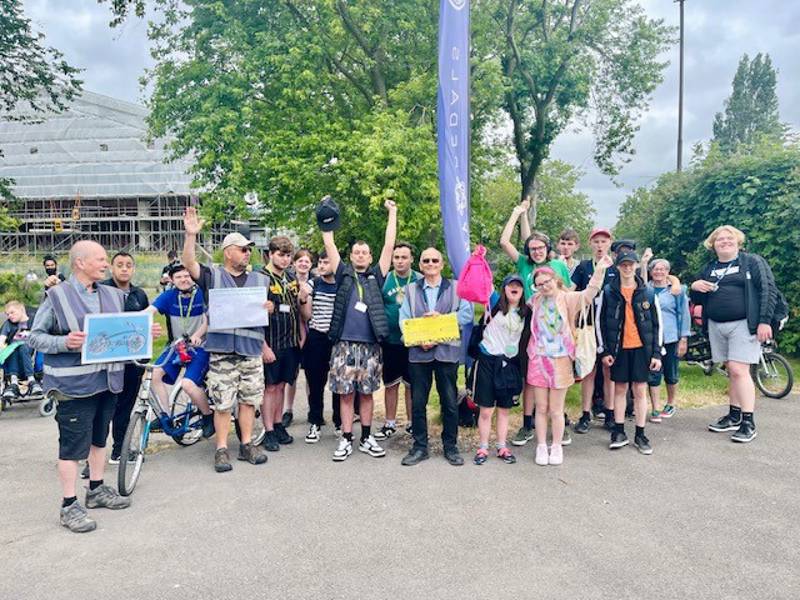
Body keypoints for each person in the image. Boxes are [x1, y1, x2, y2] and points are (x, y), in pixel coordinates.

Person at [29, 241, 154, 533]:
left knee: (100, 440)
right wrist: (64, 342)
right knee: (72, 448)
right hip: (73, 386)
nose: (105, 264)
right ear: (80, 263)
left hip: (108, 382)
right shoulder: (57, 296)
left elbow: (122, 332)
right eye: (99, 259)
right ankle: (69, 505)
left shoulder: (113, 294)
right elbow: (34, 337)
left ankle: (96, 489)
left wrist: (145, 332)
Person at [182, 207, 269, 471]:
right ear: (228, 251)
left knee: (248, 401)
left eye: (249, 250)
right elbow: (189, 264)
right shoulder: (213, 275)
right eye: (242, 249)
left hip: (250, 351)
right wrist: (190, 236)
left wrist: (270, 309)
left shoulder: (259, 279)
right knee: (222, 403)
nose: (247, 253)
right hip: (222, 352)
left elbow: (266, 310)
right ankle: (221, 449)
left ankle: (246, 444)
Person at [321, 195, 397, 462]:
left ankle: (366, 436)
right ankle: (345, 438)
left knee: (366, 395)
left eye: (364, 252)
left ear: (370, 256)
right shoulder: (342, 273)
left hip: (370, 346)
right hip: (343, 344)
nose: (360, 255)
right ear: (350, 256)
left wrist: (392, 213)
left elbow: (389, 244)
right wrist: (325, 213)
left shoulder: (377, 275)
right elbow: (328, 241)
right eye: (356, 252)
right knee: (345, 395)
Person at [690, 225, 777, 443]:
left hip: (744, 323)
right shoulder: (709, 268)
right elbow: (699, 300)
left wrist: (764, 321)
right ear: (713, 245)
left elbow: (768, 290)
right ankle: (734, 415)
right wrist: (695, 286)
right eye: (720, 239)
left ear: (738, 241)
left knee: (739, 369)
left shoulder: (752, 262)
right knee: (732, 370)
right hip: (717, 325)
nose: (725, 242)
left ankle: (748, 422)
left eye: (730, 238)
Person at [525, 256, 614, 465]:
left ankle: (556, 446)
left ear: (555, 280)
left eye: (546, 282)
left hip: (561, 359)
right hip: (538, 358)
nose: (543, 286)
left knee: (556, 409)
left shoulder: (568, 298)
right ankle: (540, 446)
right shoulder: (535, 301)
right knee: (541, 407)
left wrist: (600, 270)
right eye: (539, 284)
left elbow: (589, 293)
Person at [500, 199, 572, 447]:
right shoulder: (524, 263)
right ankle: (527, 423)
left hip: (555, 328)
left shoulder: (558, 266)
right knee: (532, 377)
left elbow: (569, 295)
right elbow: (504, 242)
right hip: (529, 324)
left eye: (541, 247)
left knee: (558, 374)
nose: (537, 251)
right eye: (532, 248)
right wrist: (517, 213)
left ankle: (560, 420)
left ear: (548, 248)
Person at [399, 247, 474, 467]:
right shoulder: (411, 289)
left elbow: (467, 313)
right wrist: (417, 338)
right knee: (418, 402)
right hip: (419, 353)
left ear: (442, 264)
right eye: (426, 261)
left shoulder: (457, 287)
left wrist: (442, 320)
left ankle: (450, 447)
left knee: (450, 402)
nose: (430, 263)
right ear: (420, 265)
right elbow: (403, 320)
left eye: (435, 260)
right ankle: (420, 447)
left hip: (446, 352)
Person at [598, 251, 663, 455]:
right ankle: (618, 432)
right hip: (618, 349)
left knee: (640, 390)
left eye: (630, 264)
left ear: (636, 265)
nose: (627, 268)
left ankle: (640, 433)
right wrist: (604, 350)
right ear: (617, 267)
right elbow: (600, 322)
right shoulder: (608, 291)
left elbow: (657, 324)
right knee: (619, 389)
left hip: (641, 349)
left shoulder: (648, 292)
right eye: (623, 265)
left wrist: (657, 353)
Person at [146, 263, 214, 438]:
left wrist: (198, 334)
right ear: (172, 280)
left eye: (187, 276)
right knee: (154, 375)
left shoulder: (202, 294)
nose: (184, 279)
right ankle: (166, 416)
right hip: (178, 346)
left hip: (201, 347)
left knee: (188, 385)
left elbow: (209, 319)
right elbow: (150, 311)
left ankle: (207, 416)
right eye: (178, 277)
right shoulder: (169, 296)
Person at [472, 275, 528, 466]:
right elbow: (484, 281)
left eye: (518, 286)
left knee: (504, 409)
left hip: (509, 363)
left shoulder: (527, 311)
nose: (514, 288)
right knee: (486, 410)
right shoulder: (495, 303)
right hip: (488, 361)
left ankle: (502, 446)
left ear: (523, 291)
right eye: (510, 285)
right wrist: (478, 260)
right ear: (504, 289)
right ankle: (483, 446)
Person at [101, 252, 150, 465]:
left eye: (128, 265)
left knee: (124, 407)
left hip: (132, 363)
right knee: (103, 409)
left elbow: (144, 326)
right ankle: (92, 460)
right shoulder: (100, 292)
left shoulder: (139, 295)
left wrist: (144, 361)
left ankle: (119, 450)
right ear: (112, 268)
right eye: (119, 265)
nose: (124, 269)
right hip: (106, 362)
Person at [260, 236, 305, 452]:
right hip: (271, 342)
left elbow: (297, 309)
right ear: (270, 254)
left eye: (288, 256)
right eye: (281, 255)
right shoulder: (260, 278)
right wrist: (263, 346)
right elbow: (253, 316)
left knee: (281, 385)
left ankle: (278, 424)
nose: (285, 259)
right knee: (269, 387)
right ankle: (268, 430)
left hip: (290, 342)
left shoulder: (291, 277)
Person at [571, 227, 618, 433]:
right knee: (588, 369)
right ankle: (585, 414)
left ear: (609, 243)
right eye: (596, 241)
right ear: (590, 244)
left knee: (609, 370)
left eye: (603, 241)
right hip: (587, 325)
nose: (600, 245)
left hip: (610, 326)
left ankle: (610, 413)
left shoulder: (616, 267)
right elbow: (571, 293)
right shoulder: (583, 267)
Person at [376, 241, 420, 440]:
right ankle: (390, 423)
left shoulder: (419, 279)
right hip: (390, 341)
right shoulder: (385, 279)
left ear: (411, 259)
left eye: (404, 257)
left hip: (413, 342)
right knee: (391, 384)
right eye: (397, 257)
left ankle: (412, 423)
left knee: (411, 385)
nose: (400, 261)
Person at [299, 250, 342, 442]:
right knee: (315, 382)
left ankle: (339, 422)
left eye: (326, 262)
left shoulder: (343, 285)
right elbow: (306, 315)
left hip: (337, 338)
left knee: (339, 383)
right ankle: (315, 422)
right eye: (320, 263)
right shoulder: (313, 283)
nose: (322, 266)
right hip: (316, 337)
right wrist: (302, 298)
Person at [646, 259, 691, 421]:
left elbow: (683, 315)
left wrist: (683, 338)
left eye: (663, 269)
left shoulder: (676, 291)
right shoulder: (646, 288)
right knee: (653, 373)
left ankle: (671, 403)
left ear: (668, 272)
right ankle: (655, 407)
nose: (659, 272)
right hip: (652, 339)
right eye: (656, 269)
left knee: (671, 373)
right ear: (650, 271)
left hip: (671, 337)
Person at [281, 248, 313, 428]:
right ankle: (288, 410)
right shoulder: (288, 281)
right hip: (291, 333)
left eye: (307, 261)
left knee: (310, 373)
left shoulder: (315, 283)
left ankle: (312, 408)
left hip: (310, 333)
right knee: (291, 375)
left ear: (311, 264)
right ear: (294, 263)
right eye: (300, 261)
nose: (303, 264)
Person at [0, 300, 42, 400]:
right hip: (14, 356)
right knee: (12, 347)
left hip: (31, 354)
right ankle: (13, 382)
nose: (9, 316)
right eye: (7, 314)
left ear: (22, 310)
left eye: (12, 312)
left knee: (22, 345)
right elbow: (2, 339)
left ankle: (32, 380)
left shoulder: (34, 322)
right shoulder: (8, 324)